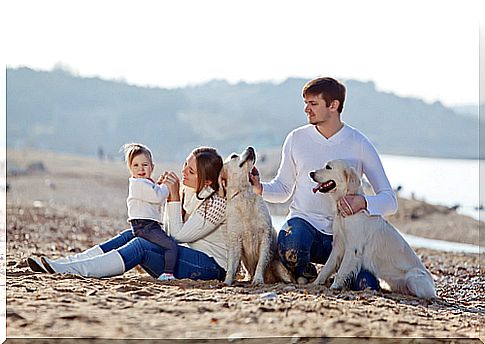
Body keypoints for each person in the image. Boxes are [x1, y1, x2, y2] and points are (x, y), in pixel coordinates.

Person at [250, 77, 398, 288]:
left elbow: (389, 201)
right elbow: (283, 189)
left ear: (333, 105)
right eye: (306, 103)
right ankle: (308, 274)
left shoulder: (359, 143)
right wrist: (260, 187)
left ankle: (339, 273)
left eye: (313, 104)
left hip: (348, 237)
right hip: (305, 227)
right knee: (291, 246)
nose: (306, 109)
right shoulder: (296, 139)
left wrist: (363, 203)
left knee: (367, 285)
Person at [28, 147, 227, 282]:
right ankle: (69, 262)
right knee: (135, 233)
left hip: (209, 268)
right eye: (185, 164)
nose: (183, 171)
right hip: (186, 256)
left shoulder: (216, 203)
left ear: (207, 181)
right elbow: (167, 229)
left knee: (141, 245)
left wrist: (172, 196)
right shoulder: (191, 190)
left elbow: (177, 236)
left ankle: (74, 270)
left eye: (191, 171)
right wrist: (169, 197)